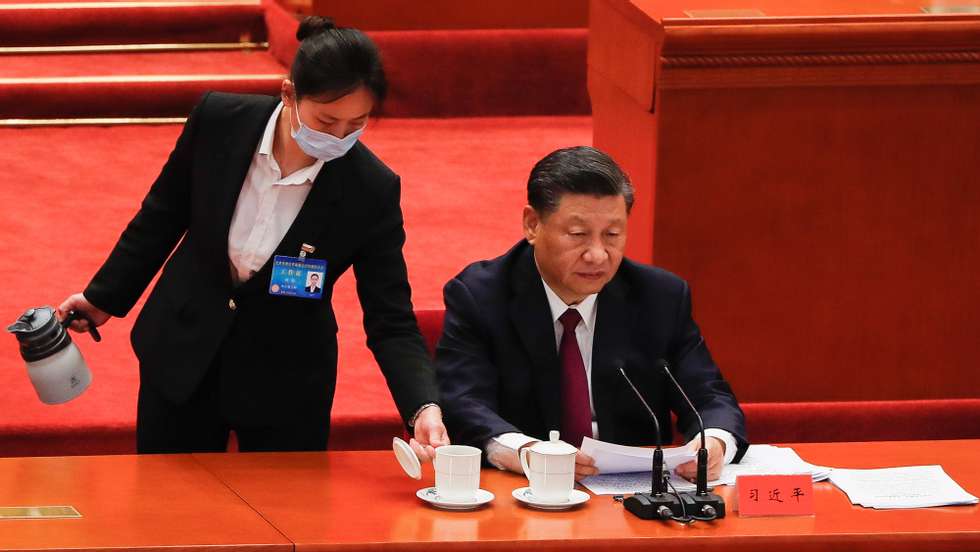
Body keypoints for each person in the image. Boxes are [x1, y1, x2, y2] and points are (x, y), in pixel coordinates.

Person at [57, 16, 448, 458]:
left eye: (355, 124)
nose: (339, 138)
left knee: (285, 519)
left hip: (286, 381)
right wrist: (103, 298)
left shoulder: (371, 188)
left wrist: (422, 406)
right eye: (325, 121)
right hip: (184, 352)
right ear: (288, 94)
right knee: (166, 508)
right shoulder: (219, 121)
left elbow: (390, 316)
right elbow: (162, 216)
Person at [435, 146, 747, 481]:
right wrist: (524, 451)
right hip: (524, 491)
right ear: (532, 224)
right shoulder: (481, 296)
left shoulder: (659, 298)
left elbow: (709, 395)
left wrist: (714, 441)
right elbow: (462, 403)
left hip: (631, 499)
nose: (598, 255)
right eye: (578, 234)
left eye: (612, 235)